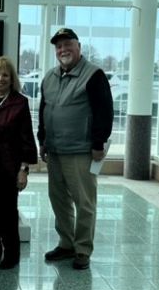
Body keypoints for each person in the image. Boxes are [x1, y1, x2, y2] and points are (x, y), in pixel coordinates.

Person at [37, 28, 113, 270]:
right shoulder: (49, 77)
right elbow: (43, 111)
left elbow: (105, 111)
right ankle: (66, 243)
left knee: (84, 202)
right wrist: (42, 140)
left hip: (81, 151)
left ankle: (82, 249)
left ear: (79, 47)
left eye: (68, 44)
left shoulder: (93, 75)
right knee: (58, 200)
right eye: (59, 47)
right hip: (56, 150)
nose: (63, 50)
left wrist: (99, 143)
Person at [0, 56, 38, 269]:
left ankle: (12, 253)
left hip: (9, 168)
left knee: (8, 212)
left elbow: (26, 138)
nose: (0, 78)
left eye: (5, 75)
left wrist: (24, 170)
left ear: (12, 79)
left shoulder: (19, 103)